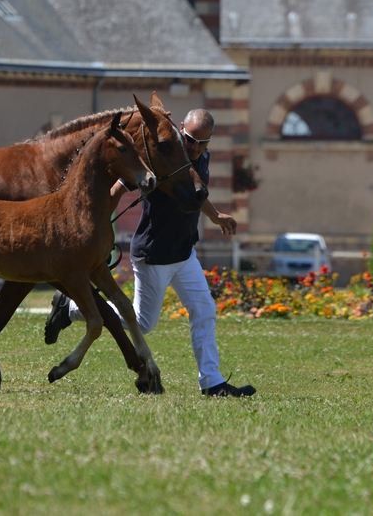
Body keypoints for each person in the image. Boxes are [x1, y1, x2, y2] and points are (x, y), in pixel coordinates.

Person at [44, 109, 256, 398]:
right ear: (181, 128)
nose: (195, 148)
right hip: (154, 253)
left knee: (205, 310)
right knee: (144, 323)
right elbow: (118, 189)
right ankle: (70, 309)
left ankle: (212, 383)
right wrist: (96, 224)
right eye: (191, 140)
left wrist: (216, 216)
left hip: (184, 252)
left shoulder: (200, 159)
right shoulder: (160, 157)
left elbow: (197, 192)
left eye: (203, 143)